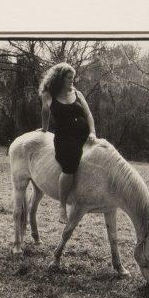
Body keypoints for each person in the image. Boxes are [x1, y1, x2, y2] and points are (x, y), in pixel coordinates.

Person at [39, 62, 96, 219]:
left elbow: (89, 115)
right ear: (59, 78)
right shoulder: (48, 95)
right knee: (70, 164)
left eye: (73, 78)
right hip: (65, 138)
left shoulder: (78, 94)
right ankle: (62, 206)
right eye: (69, 78)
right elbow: (45, 112)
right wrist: (44, 129)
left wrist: (92, 132)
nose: (72, 81)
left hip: (84, 134)